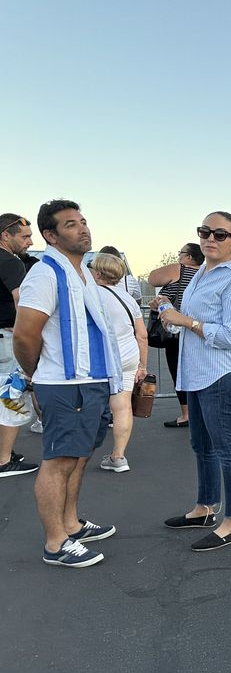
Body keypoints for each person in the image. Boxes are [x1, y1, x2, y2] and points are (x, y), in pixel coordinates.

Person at [13, 200, 122, 567]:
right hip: (64, 383)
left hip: (90, 380)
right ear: (51, 236)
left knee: (77, 457)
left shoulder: (82, 274)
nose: (83, 229)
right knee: (58, 461)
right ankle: (56, 543)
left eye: (84, 222)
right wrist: (36, 374)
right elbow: (25, 334)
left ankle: (71, 524)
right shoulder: (45, 274)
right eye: (71, 224)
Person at [155, 212, 231, 551]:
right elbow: (189, 323)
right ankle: (205, 507)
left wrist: (186, 320)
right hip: (197, 373)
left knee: (228, 448)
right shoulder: (201, 272)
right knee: (202, 445)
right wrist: (169, 311)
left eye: (220, 234)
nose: (210, 238)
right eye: (205, 232)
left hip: (222, 373)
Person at [91, 253, 148, 472]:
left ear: (97, 272)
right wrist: (142, 366)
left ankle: (78, 455)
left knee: (91, 403)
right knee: (122, 405)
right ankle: (118, 456)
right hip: (128, 356)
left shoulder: (90, 295)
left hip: (100, 356)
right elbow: (141, 335)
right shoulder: (128, 299)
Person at [148, 243, 204, 427]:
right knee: (198, 369)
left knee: (178, 369)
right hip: (198, 328)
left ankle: (187, 414)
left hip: (176, 328)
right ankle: (201, 411)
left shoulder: (178, 269)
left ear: (188, 257)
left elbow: (152, 279)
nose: (179, 256)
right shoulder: (205, 273)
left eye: (181, 253)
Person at [0, 214, 39, 477]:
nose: (30, 241)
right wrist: (30, 337)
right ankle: (4, 460)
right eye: (24, 236)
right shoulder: (11, 263)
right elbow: (21, 302)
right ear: (6, 235)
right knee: (11, 397)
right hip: (7, 339)